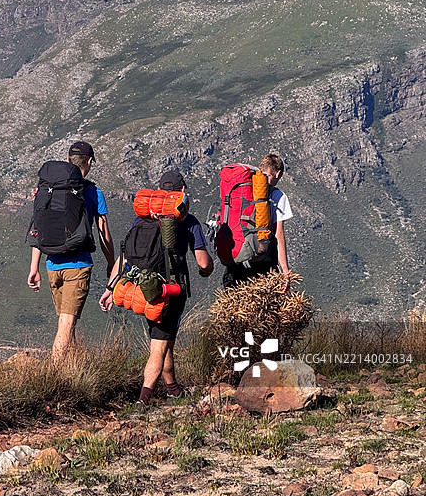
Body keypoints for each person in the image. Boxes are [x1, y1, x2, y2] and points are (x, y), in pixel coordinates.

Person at [99, 169, 213, 406]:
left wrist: (110, 288)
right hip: (169, 292)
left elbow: (125, 257)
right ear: (182, 191)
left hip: (142, 287)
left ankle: (173, 388)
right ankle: (144, 398)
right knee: (159, 344)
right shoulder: (188, 221)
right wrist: (207, 268)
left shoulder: (143, 218)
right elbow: (203, 262)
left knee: (164, 337)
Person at [28, 141, 115, 358]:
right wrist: (112, 264)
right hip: (78, 266)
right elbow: (104, 233)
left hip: (51, 265)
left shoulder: (50, 188)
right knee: (66, 326)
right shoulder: (94, 192)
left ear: (68, 160)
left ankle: (73, 372)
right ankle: (53, 380)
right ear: (90, 161)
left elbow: (39, 225)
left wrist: (34, 268)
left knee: (68, 324)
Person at [222, 153, 292, 288]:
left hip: (236, 259)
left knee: (236, 305)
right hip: (263, 264)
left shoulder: (243, 190)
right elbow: (279, 235)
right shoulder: (278, 196)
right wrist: (285, 272)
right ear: (277, 173)